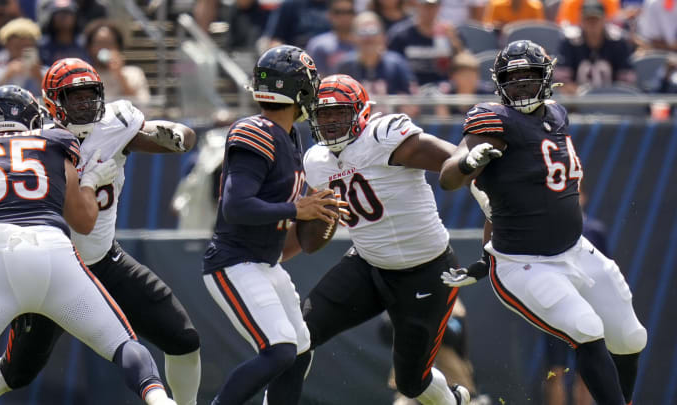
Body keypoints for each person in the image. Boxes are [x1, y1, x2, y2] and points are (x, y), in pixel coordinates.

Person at [0, 58, 202, 405]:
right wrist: (89, 181)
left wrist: (177, 136)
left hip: (102, 259)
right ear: (51, 103)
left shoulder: (114, 124)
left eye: (90, 95)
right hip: (52, 266)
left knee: (183, 339)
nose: (84, 104)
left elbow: (171, 136)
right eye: (73, 97)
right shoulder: (37, 139)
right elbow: (78, 219)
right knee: (15, 372)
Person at [439, 40, 647, 405]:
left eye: (529, 76)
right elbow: (448, 176)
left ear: (546, 78)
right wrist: (468, 163)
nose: (520, 85)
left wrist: (484, 257)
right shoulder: (493, 120)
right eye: (512, 78)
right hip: (526, 263)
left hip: (576, 249)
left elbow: (499, 206)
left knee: (631, 338)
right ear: (499, 83)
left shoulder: (556, 115)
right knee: (586, 329)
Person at [268, 73, 471, 405]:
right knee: (299, 334)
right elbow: (310, 236)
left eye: (339, 113)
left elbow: (453, 162)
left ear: (361, 112)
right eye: (323, 114)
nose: (330, 122)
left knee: (410, 382)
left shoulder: (384, 136)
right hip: (368, 265)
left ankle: (453, 401)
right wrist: (270, 255)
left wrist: (471, 163)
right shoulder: (317, 160)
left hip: (426, 271)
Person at [201, 45, 343, 405]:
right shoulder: (256, 131)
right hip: (233, 262)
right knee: (279, 351)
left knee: (299, 352)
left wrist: (314, 218)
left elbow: (281, 221)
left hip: (265, 262)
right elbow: (236, 206)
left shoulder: (289, 136)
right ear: (300, 90)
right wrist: (298, 210)